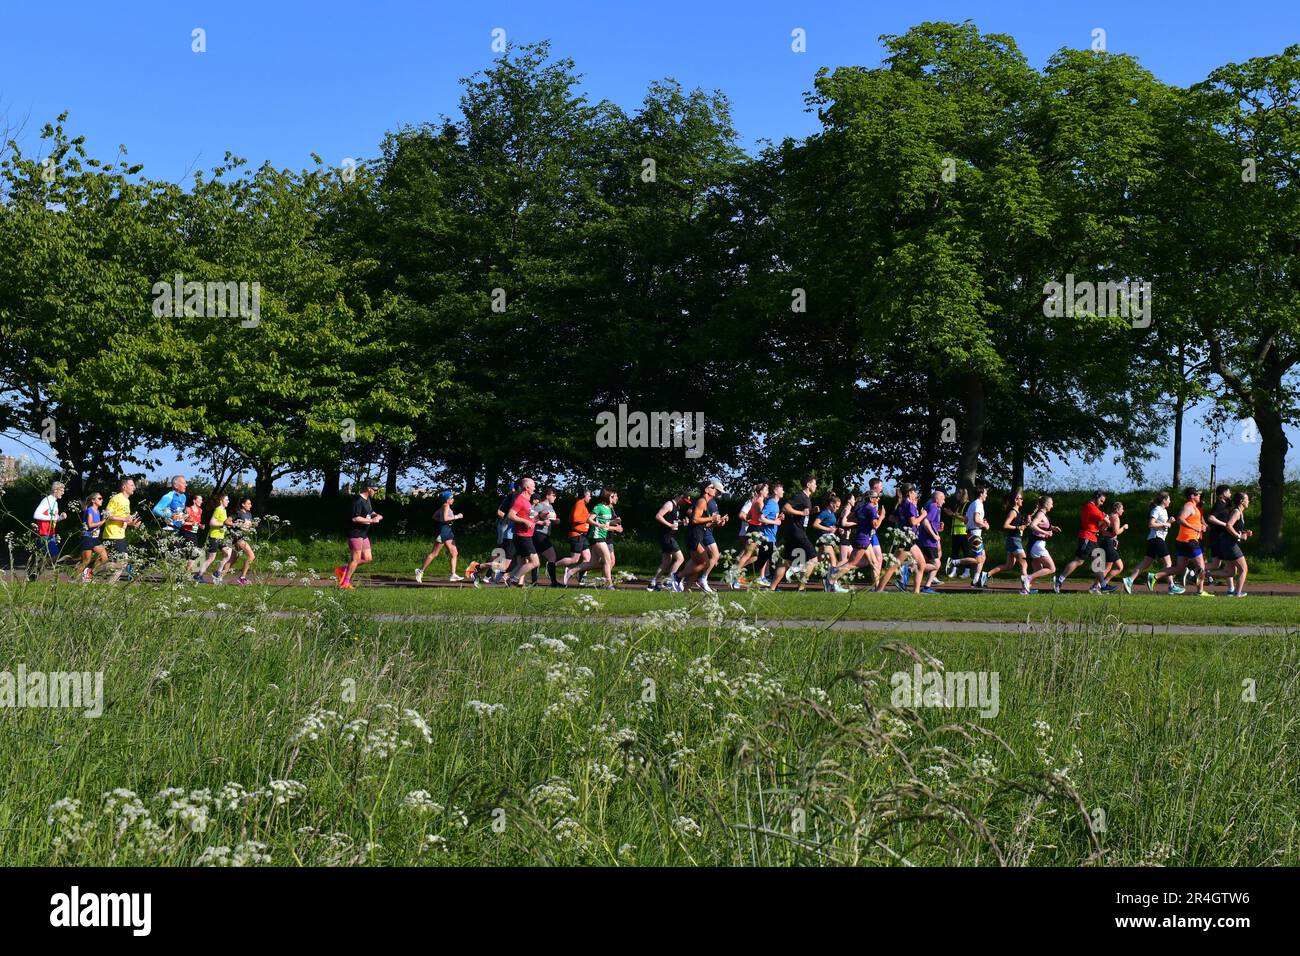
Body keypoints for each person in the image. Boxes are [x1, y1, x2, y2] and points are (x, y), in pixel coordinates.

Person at [769, 475, 820, 591]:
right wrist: (801, 513)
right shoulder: (800, 496)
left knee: (787, 561)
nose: (816, 485)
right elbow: (786, 507)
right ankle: (801, 588)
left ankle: (771, 588)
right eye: (814, 483)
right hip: (798, 533)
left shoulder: (806, 498)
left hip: (794, 533)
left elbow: (802, 514)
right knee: (813, 559)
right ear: (808, 485)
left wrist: (811, 512)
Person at [1053, 491, 1109, 594]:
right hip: (1087, 537)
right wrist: (1106, 520)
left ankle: (1103, 586)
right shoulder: (1090, 507)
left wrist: (1105, 521)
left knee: (1098, 562)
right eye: (1101, 500)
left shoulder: (1094, 509)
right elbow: (1105, 520)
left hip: (1093, 538)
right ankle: (1059, 580)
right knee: (1079, 561)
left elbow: (1102, 527)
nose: (1102, 503)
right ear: (1096, 498)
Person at [876, 484, 927, 594]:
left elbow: (891, 517)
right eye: (915, 492)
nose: (916, 494)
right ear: (910, 493)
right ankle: (879, 590)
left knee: (921, 564)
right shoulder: (909, 505)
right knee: (893, 567)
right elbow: (913, 522)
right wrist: (923, 515)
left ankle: (916, 592)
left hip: (910, 539)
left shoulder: (902, 504)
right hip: (906, 539)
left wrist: (901, 521)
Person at [1123, 492, 1177, 594]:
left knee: (1146, 563)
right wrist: (1166, 523)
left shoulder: (1164, 511)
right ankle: (1171, 586)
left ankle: (1129, 580)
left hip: (1155, 539)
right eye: (1169, 499)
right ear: (1164, 500)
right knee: (1168, 563)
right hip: (1157, 538)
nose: (1170, 501)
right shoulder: (1157, 509)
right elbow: (1151, 524)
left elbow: (1163, 526)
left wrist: (1169, 522)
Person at [681, 479, 729, 592]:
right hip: (696, 533)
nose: (717, 492)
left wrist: (718, 521)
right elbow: (694, 517)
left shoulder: (710, 501)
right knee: (706, 561)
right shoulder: (703, 501)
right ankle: (678, 577)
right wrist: (712, 519)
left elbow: (707, 523)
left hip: (701, 532)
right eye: (714, 488)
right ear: (707, 490)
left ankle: (684, 589)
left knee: (698, 563)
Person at [336, 480, 382, 589]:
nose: (376, 492)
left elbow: (369, 511)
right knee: (355, 559)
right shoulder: (357, 500)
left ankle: (343, 569)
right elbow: (355, 518)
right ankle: (345, 583)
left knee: (368, 558)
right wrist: (372, 521)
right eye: (375, 490)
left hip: (363, 533)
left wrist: (377, 515)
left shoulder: (367, 499)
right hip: (354, 533)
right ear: (368, 488)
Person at [1169, 488, 1213, 597]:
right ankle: (1199, 590)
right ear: (1192, 496)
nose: (1200, 497)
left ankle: (1154, 576)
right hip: (1189, 540)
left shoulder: (1196, 508)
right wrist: (1195, 527)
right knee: (1201, 567)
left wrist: (1202, 527)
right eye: (1198, 495)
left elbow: (1199, 523)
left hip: (1192, 539)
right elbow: (1180, 519)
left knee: (1180, 568)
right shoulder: (1188, 506)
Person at [572, 489, 620, 588]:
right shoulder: (599, 507)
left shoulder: (607, 508)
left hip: (603, 535)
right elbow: (589, 519)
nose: (614, 498)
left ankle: (572, 571)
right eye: (612, 496)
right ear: (607, 497)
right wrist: (611, 527)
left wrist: (614, 523)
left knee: (595, 563)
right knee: (608, 561)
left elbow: (605, 523)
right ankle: (608, 584)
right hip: (597, 536)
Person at [982, 489, 1029, 591]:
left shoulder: (1017, 512)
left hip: (1014, 540)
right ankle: (1026, 588)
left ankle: (986, 575)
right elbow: (1006, 525)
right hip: (1014, 540)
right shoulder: (1013, 512)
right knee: (1024, 563)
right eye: (1021, 498)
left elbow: (1020, 527)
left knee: (1008, 565)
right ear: (1016, 500)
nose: (1022, 500)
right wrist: (1018, 528)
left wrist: (1026, 523)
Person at [416, 491, 463, 583]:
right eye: (451, 498)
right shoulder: (445, 506)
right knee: (434, 553)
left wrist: (442, 521)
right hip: (443, 532)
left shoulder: (444, 506)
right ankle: (420, 571)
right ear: (447, 499)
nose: (453, 500)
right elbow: (445, 518)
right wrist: (457, 516)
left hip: (448, 531)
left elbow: (434, 516)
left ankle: (453, 575)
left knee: (454, 553)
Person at [102, 478, 142, 584]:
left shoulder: (127, 500)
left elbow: (124, 519)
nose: (134, 487)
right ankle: (97, 567)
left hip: (120, 535)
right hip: (112, 534)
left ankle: (108, 584)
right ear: (124, 487)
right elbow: (106, 514)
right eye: (132, 485)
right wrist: (124, 519)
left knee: (121, 563)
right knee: (123, 562)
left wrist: (132, 524)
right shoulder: (116, 498)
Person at [648, 492, 688, 591]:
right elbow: (658, 516)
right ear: (680, 497)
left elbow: (674, 522)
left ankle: (652, 583)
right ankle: (670, 581)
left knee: (666, 562)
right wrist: (669, 525)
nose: (685, 503)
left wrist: (682, 522)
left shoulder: (677, 507)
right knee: (680, 558)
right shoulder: (669, 504)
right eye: (684, 501)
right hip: (667, 536)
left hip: (670, 536)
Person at [731, 482, 769, 587]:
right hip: (755, 530)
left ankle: (760, 577)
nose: (767, 492)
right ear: (760, 491)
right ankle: (734, 578)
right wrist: (776, 520)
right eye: (765, 490)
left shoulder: (755, 502)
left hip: (754, 529)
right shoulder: (759, 502)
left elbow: (750, 516)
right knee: (747, 555)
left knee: (759, 554)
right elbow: (762, 518)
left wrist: (752, 520)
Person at [1022, 496, 1063, 593]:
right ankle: (1027, 578)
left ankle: (1025, 590)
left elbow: (1041, 525)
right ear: (1046, 504)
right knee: (1052, 568)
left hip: (1036, 545)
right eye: (1051, 503)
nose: (1052, 506)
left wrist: (1052, 528)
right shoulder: (1040, 514)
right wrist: (1046, 533)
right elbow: (1032, 526)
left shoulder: (1043, 514)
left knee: (1038, 569)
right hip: (1037, 545)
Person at [504, 478, 539, 587]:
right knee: (535, 562)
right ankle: (513, 580)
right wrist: (525, 521)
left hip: (526, 536)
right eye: (533, 486)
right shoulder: (520, 500)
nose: (534, 488)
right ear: (526, 487)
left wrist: (541, 518)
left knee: (523, 563)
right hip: (522, 537)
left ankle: (510, 580)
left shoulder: (527, 502)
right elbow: (510, 515)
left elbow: (531, 520)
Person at [29, 480, 67, 579]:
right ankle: (34, 570)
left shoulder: (55, 503)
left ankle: (34, 572)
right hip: (43, 533)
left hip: (51, 534)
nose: (63, 492)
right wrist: (53, 518)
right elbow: (36, 515)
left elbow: (53, 520)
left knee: (52, 556)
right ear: (55, 490)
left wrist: (60, 518)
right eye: (62, 490)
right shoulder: (47, 500)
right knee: (55, 556)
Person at [556, 488, 593, 586]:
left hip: (583, 535)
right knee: (574, 559)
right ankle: (553, 565)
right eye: (589, 495)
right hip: (576, 534)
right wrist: (588, 518)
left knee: (587, 557)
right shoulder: (579, 503)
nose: (590, 498)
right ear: (584, 495)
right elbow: (574, 518)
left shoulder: (583, 505)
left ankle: (581, 578)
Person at [813, 494, 848, 592]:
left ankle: (799, 570)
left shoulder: (832, 514)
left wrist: (838, 530)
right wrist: (828, 529)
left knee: (816, 560)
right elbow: (815, 524)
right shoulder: (824, 513)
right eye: (836, 506)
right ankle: (833, 584)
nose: (837, 509)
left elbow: (832, 527)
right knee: (833, 561)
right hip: (825, 539)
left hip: (830, 539)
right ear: (831, 504)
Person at [529, 487, 562, 587]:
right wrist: (542, 522)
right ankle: (554, 582)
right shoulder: (540, 505)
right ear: (547, 496)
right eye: (553, 495)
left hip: (544, 534)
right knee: (552, 556)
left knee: (536, 559)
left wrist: (556, 521)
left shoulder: (550, 507)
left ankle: (534, 583)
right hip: (538, 534)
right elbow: (530, 518)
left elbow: (551, 520)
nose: (555, 497)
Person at [197, 493, 233, 584]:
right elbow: (211, 523)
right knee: (211, 558)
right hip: (214, 536)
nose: (228, 501)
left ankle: (218, 572)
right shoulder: (218, 509)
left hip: (221, 537)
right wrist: (223, 524)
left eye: (228, 500)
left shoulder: (224, 510)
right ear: (221, 501)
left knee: (228, 554)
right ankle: (199, 575)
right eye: (226, 500)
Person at [219, 498, 257, 585]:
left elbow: (247, 526)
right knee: (251, 556)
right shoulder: (238, 513)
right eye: (248, 504)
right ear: (243, 504)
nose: (250, 505)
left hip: (243, 538)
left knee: (232, 559)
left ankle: (219, 577)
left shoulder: (249, 514)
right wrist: (237, 524)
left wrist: (252, 526)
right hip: (238, 538)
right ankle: (242, 578)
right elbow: (226, 521)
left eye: (250, 504)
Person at [1222, 492, 1252, 597]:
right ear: (1241, 501)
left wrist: (1244, 532)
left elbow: (1234, 528)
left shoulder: (1240, 512)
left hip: (1230, 544)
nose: (1249, 501)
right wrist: (1239, 536)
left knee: (1230, 572)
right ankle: (1237, 593)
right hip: (1230, 544)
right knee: (1244, 569)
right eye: (1247, 499)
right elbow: (1228, 525)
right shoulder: (1236, 512)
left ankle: (1204, 574)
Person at [916, 490, 946, 593]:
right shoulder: (933, 506)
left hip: (929, 539)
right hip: (928, 540)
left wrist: (937, 528)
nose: (944, 501)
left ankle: (927, 587)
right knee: (936, 564)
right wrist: (934, 535)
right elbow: (925, 521)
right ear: (937, 499)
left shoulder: (932, 506)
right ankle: (910, 569)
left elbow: (930, 522)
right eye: (943, 499)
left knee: (937, 560)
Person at [1096, 501, 1129, 593]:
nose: (1123, 510)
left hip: (1106, 542)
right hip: (1108, 543)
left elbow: (1103, 530)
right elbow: (1116, 532)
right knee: (1119, 567)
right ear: (1117, 509)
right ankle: (1097, 586)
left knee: (1108, 566)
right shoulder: (1115, 517)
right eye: (1122, 509)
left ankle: (1102, 586)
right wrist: (1124, 527)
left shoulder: (1109, 516)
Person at [75, 491, 108, 582]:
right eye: (99, 498)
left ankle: (90, 573)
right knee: (86, 561)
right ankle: (74, 579)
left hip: (94, 538)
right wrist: (102, 522)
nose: (102, 500)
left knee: (104, 558)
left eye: (102, 498)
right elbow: (90, 525)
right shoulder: (90, 510)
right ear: (93, 500)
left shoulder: (98, 511)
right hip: (87, 537)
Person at [944, 488, 971, 579]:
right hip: (955, 532)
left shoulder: (968, 504)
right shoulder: (958, 505)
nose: (956, 495)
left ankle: (967, 571)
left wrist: (953, 514)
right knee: (954, 553)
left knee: (966, 552)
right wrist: (951, 514)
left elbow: (965, 519)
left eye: (958, 494)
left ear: (962, 494)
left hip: (964, 533)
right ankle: (954, 571)